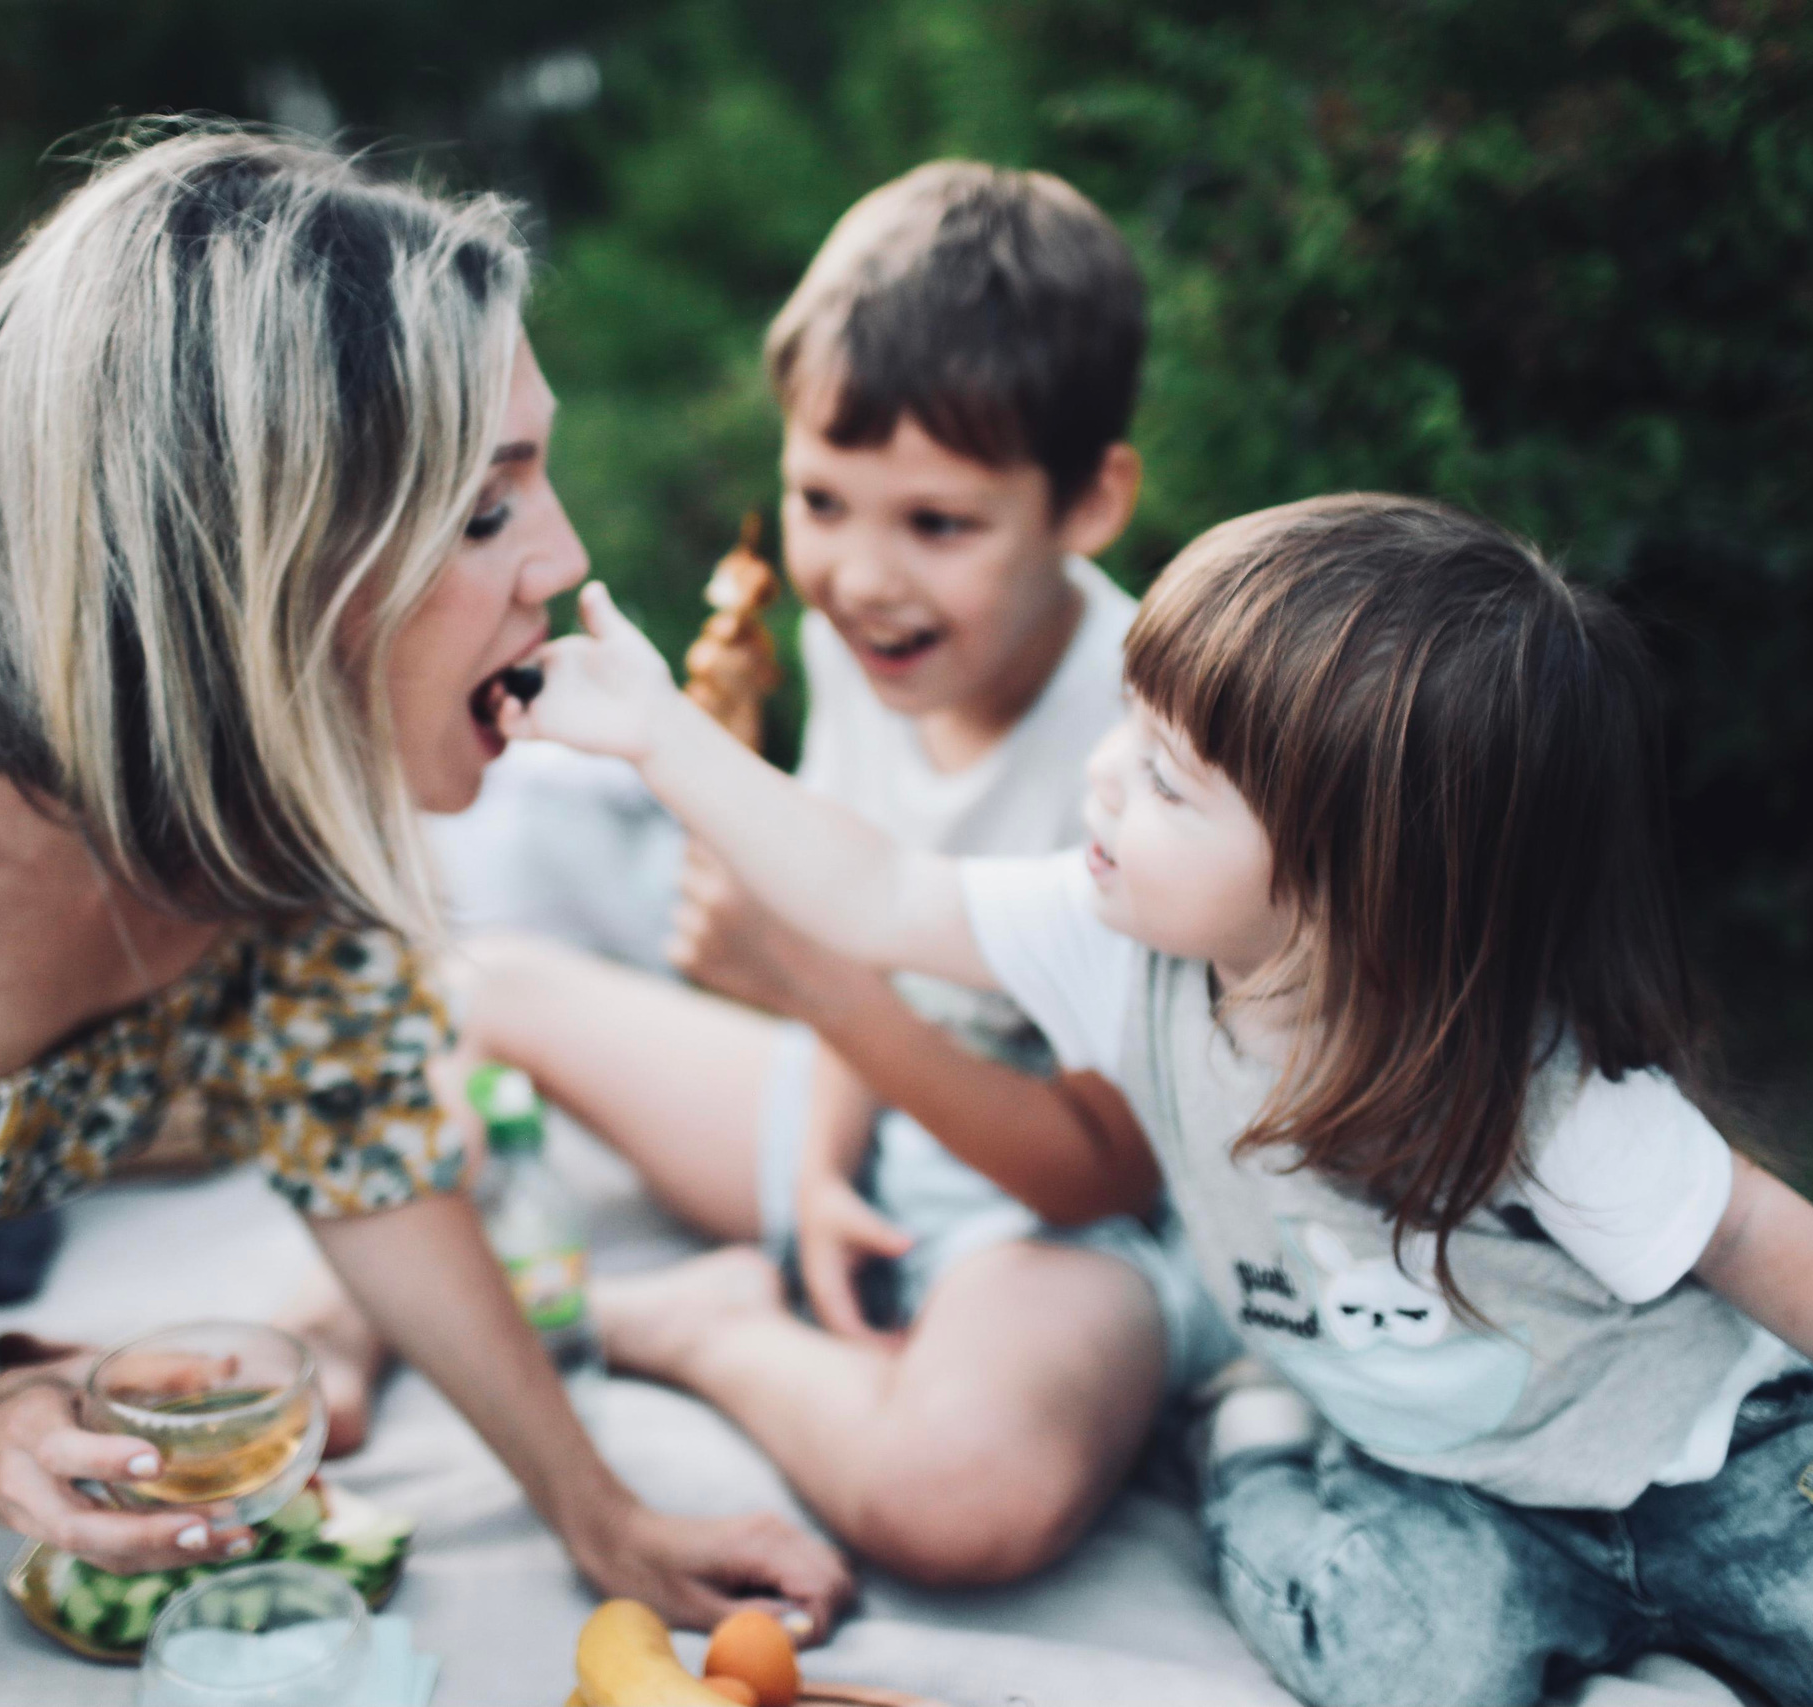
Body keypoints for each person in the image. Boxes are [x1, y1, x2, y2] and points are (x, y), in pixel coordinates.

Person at [0, 126, 848, 1707]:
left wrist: (602, 1513)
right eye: (487, 514)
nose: (563, 560)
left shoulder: (256, 782)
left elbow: (369, 1156)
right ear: (255, 555)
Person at [497, 493, 1813, 1706]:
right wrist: (653, 737)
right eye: (1128, 733)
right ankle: (1256, 1439)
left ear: (1348, 889)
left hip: (1693, 1463)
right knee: (1407, 1668)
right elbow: (870, 887)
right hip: (1426, 1475)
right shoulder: (1117, 937)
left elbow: (1751, 1231)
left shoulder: (1521, 1076)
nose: (1103, 783)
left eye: (1169, 779)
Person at [306, 160, 1237, 1583]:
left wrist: (822, 995)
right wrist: (813, 1165)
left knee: (963, 1500)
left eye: (937, 523)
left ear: (1091, 503)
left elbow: (1099, 1173)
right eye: (821, 499)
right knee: (474, 983)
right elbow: (852, 924)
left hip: (1063, 1219)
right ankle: (337, 1317)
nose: (862, 576)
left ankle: (703, 1329)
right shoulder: (872, 645)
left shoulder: (1140, 749)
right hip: (868, 1114)